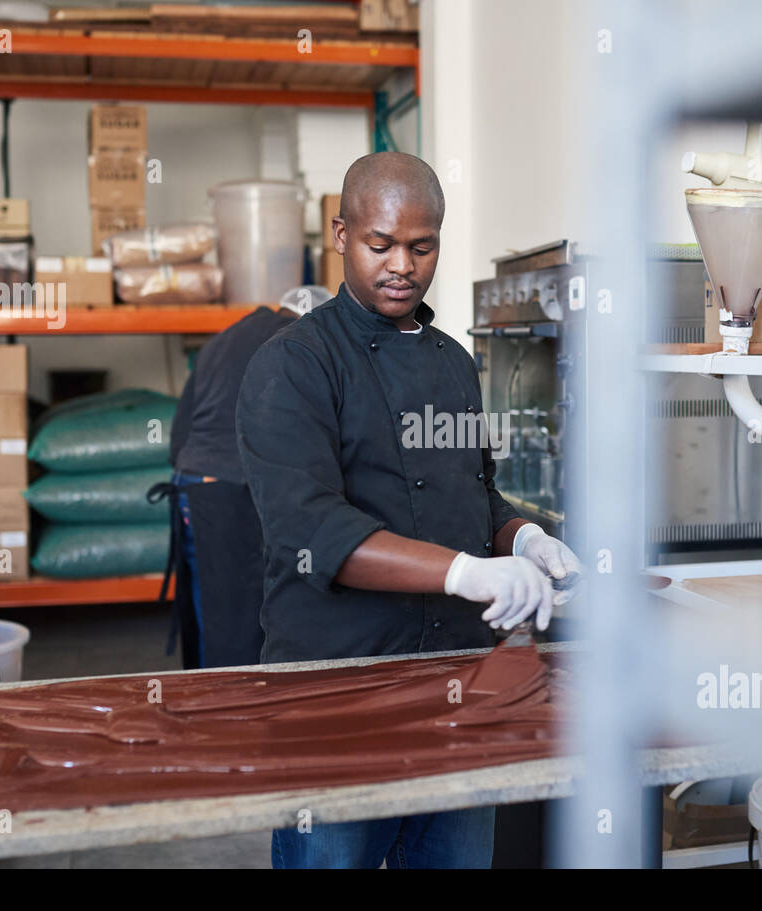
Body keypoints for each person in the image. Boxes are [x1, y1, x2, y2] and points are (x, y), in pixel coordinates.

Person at [236, 153, 582, 868]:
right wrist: (463, 572)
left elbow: (472, 490)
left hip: (456, 687)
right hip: (336, 696)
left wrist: (522, 538)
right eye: (381, 244)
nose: (403, 265)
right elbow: (312, 528)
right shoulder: (294, 365)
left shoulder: (454, 364)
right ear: (340, 233)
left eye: (421, 247)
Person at [158, 285, 333, 669]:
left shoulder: (227, 336)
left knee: (213, 613)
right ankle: (236, 718)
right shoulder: (297, 343)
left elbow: (178, 434)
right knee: (241, 623)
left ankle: (210, 708)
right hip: (233, 492)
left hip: (194, 486)